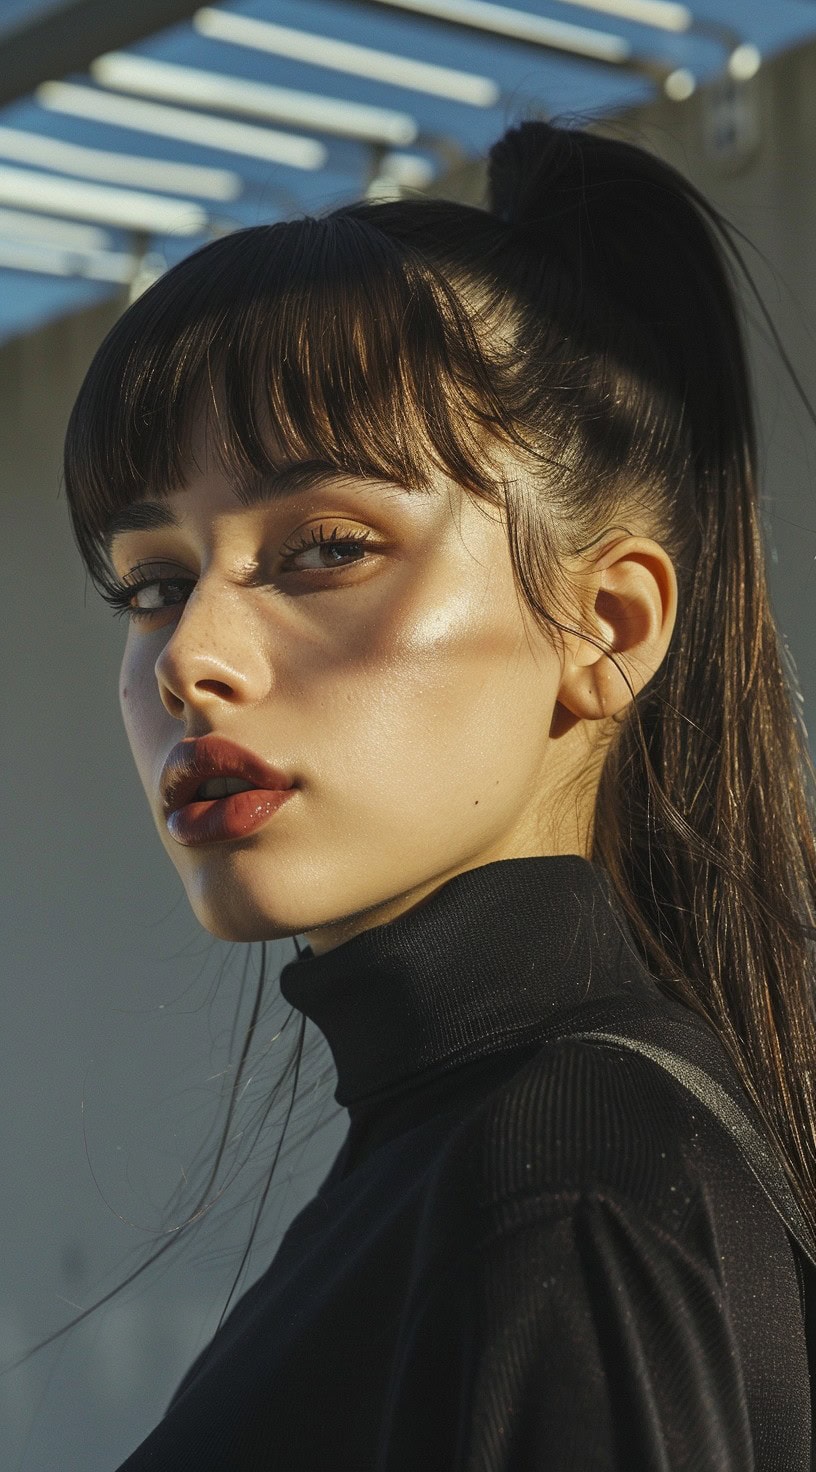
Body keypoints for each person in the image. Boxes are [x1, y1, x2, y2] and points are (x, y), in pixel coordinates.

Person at [58, 115, 816, 1468]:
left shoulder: (564, 1180)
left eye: (326, 548)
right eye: (154, 583)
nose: (191, 661)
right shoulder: (464, 1164)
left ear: (608, 628)